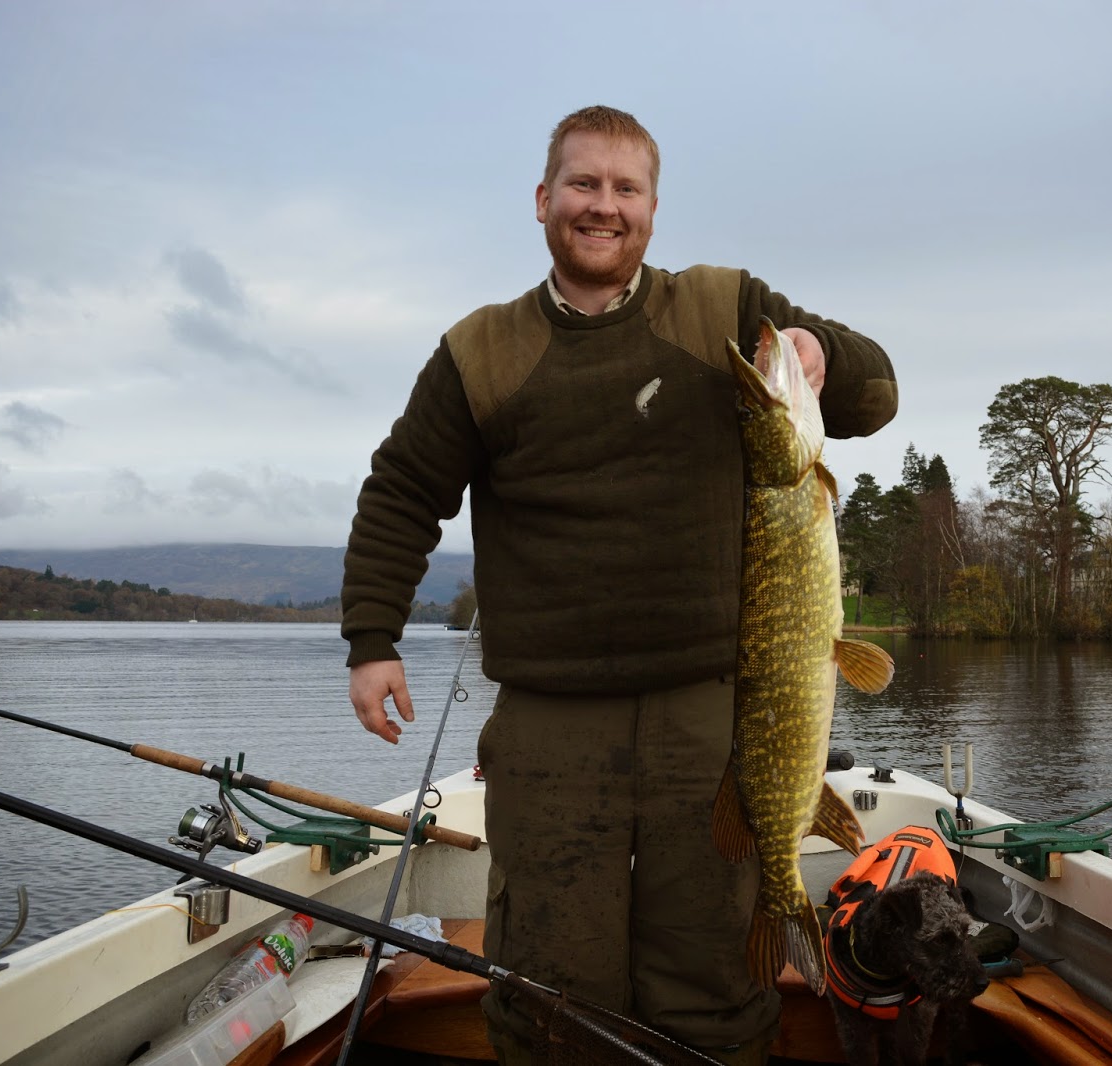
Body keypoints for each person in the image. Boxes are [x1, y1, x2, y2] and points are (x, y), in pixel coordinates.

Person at [341, 105, 897, 1066]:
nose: (604, 207)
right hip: (552, 719)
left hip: (713, 710)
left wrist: (821, 354)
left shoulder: (722, 307)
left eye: (625, 189)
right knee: (555, 987)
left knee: (714, 974)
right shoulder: (481, 351)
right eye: (583, 185)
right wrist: (372, 641)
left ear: (652, 206)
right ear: (544, 198)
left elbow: (874, 395)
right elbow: (401, 492)